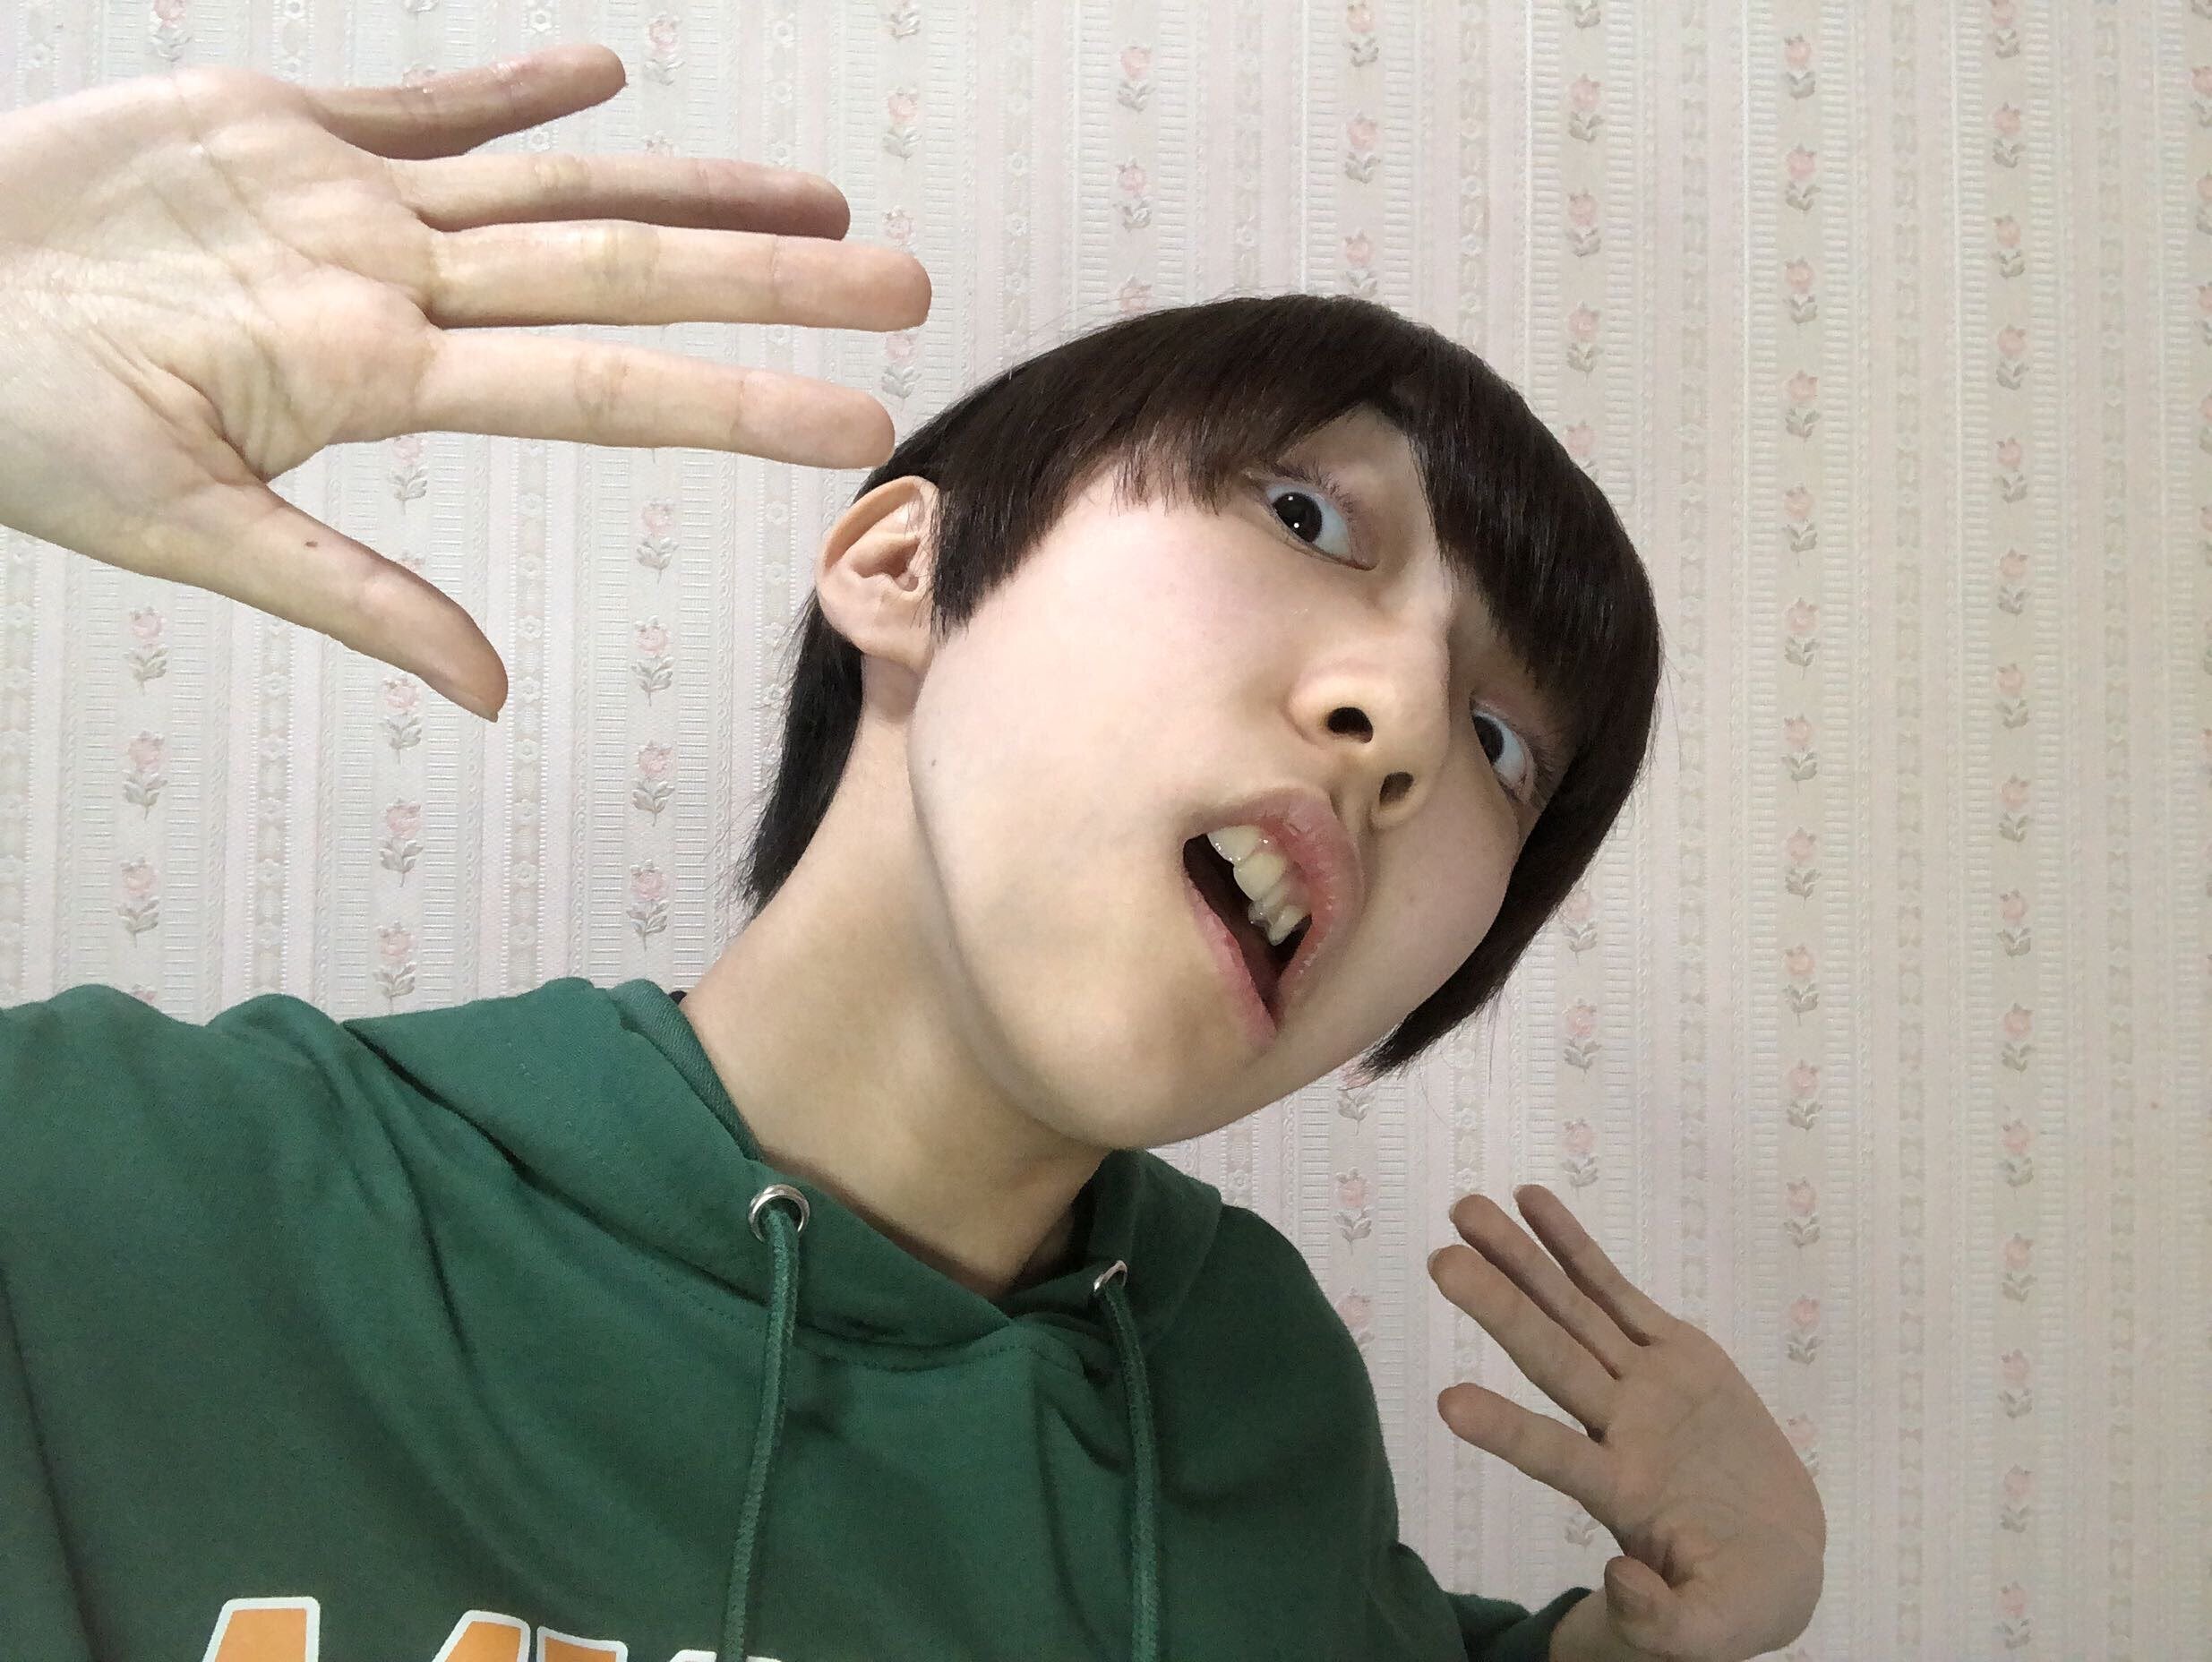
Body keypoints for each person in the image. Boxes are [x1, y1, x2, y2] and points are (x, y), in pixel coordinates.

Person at [0, 44, 1826, 1662]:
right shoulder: (129, 1189)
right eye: (1303, 515)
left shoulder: (1253, 1405)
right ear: (903, 568)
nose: (1408, 719)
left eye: (1506, 746)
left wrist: (1650, 1638)